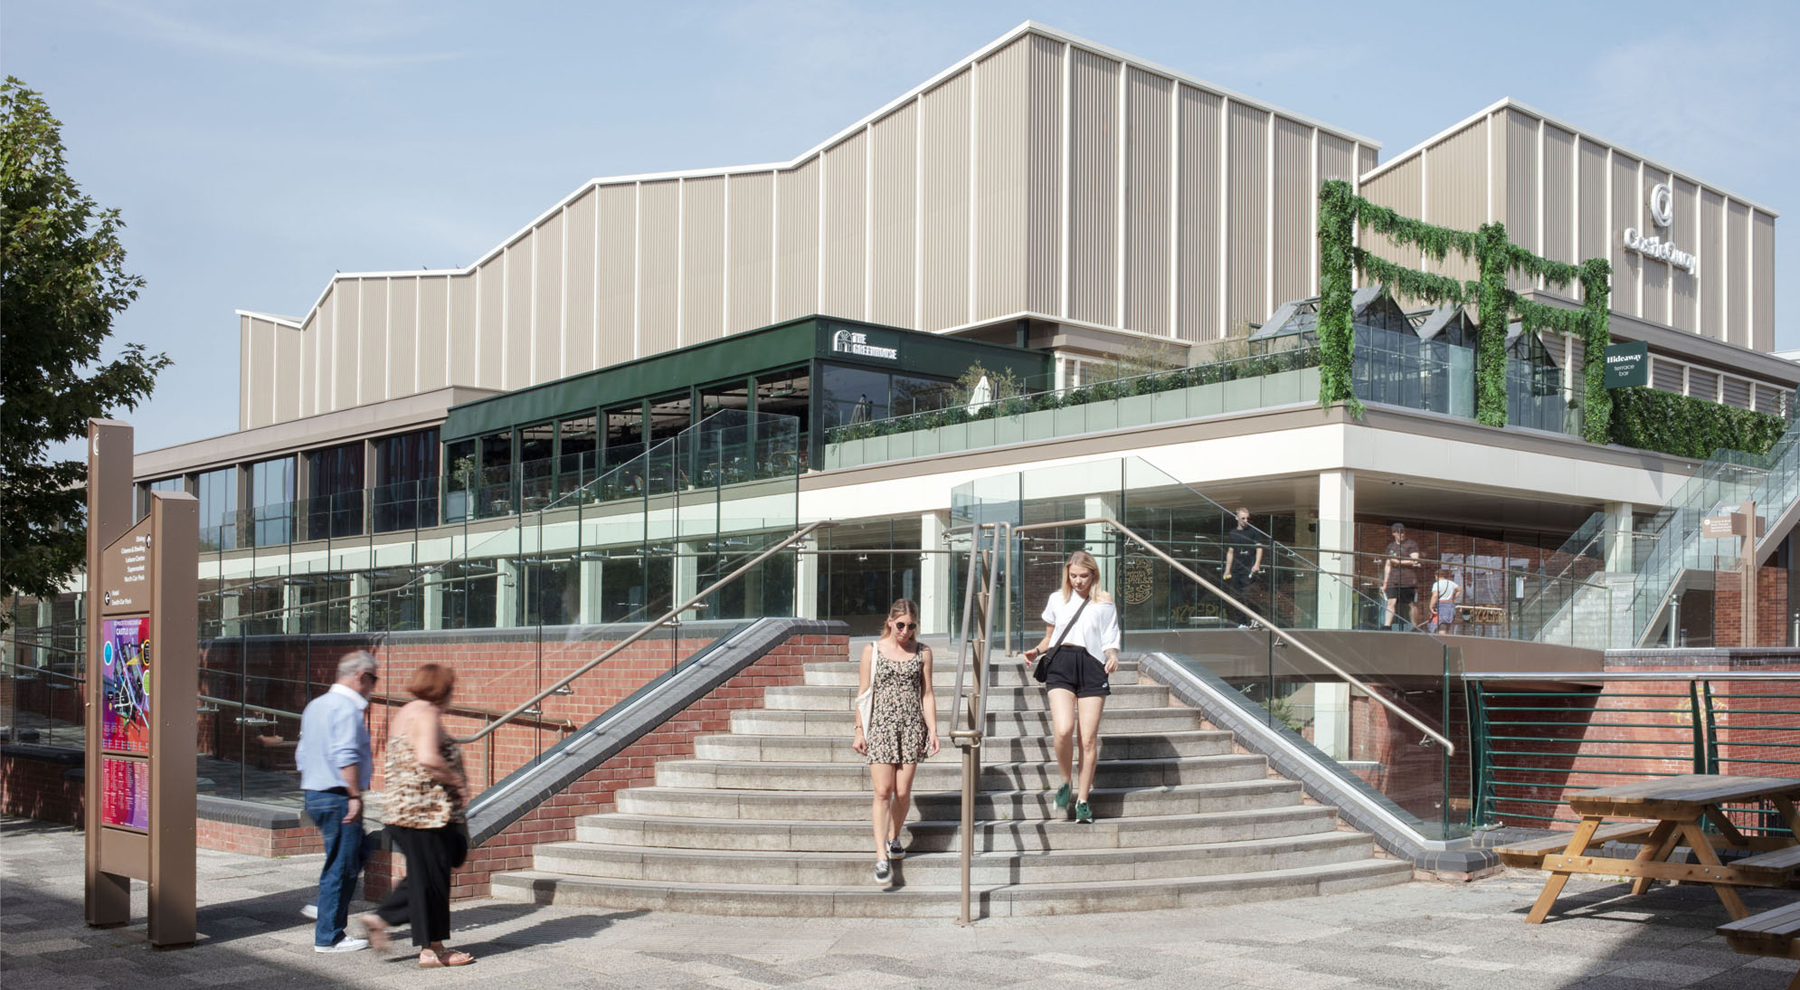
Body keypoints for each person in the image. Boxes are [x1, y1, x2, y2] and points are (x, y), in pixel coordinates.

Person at [359, 663, 474, 968]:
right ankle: (426, 947)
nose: (452, 694)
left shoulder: (407, 711)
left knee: (427, 878)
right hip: (424, 815)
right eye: (450, 688)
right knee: (431, 880)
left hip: (404, 812)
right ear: (442, 689)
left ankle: (425, 943)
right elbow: (427, 757)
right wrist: (457, 781)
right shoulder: (426, 712)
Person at [1022, 550, 1122, 825]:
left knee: (1088, 739)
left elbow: (1110, 637)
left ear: (1094, 575)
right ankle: (1065, 783)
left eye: (1084, 576)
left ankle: (1083, 801)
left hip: (1092, 665)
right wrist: (1036, 650)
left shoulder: (1104, 601)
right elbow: (1049, 637)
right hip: (1061, 663)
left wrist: (1112, 655)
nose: (1078, 581)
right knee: (1063, 728)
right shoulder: (1057, 599)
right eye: (1073, 575)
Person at [296, 650, 379, 953]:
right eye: (373, 678)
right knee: (342, 866)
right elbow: (346, 756)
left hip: (315, 793)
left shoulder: (316, 705)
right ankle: (329, 936)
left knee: (351, 855)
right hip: (338, 795)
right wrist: (355, 795)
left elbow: (301, 753)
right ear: (360, 676)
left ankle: (325, 907)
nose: (374, 686)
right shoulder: (346, 708)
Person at [852, 599, 939, 884]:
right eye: (900, 625)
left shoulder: (923, 652)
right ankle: (880, 857)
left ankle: (894, 837)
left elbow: (927, 694)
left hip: (912, 726)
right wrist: (859, 730)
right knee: (882, 791)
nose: (905, 631)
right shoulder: (872, 651)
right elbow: (863, 693)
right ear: (890, 621)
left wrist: (933, 731)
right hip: (880, 726)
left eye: (911, 626)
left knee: (902, 792)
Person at [1222, 507, 1265, 627]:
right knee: (1238, 596)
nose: (1245, 520)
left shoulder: (1253, 531)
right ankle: (1242, 622)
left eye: (1247, 518)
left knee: (1250, 595)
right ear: (1237, 518)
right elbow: (1230, 552)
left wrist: (1257, 564)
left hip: (1249, 568)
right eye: (1243, 518)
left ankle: (1256, 620)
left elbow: (1259, 548)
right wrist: (1227, 570)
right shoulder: (1233, 533)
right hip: (1236, 569)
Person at [1380, 523, 1422, 630]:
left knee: (1411, 603)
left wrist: (1398, 562)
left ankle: (1414, 626)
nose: (1402, 534)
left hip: (1408, 579)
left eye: (1403, 532)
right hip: (1393, 579)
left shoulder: (1411, 544)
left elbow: (1414, 560)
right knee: (1391, 602)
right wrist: (1385, 583)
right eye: (1399, 533)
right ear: (1394, 533)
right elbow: (1388, 565)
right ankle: (1387, 626)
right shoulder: (1391, 547)